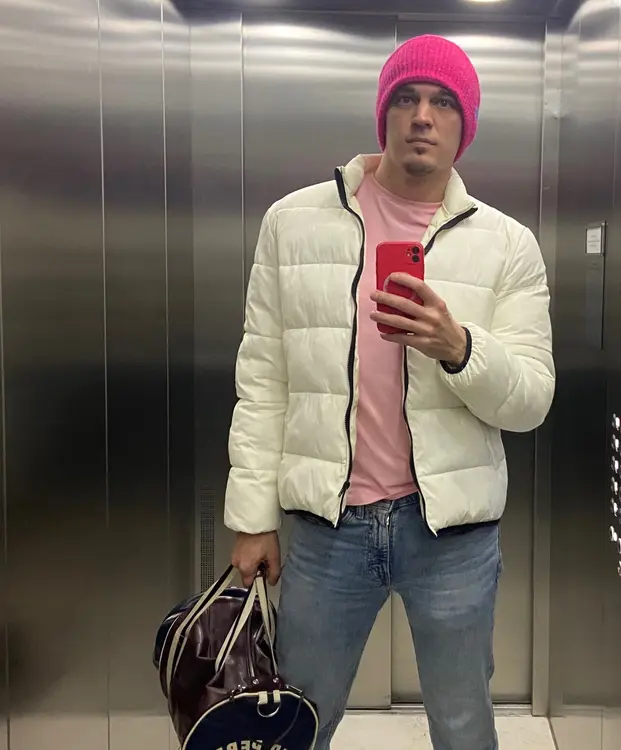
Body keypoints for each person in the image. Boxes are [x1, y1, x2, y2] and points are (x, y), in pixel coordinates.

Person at [224, 34, 555, 750]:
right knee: (297, 722)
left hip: (452, 535)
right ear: (384, 114)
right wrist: (252, 517)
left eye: (443, 103)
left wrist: (459, 348)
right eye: (406, 98)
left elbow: (531, 401)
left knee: (464, 726)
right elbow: (263, 379)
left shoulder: (508, 245)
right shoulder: (293, 223)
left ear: (466, 124)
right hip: (327, 529)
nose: (423, 116)